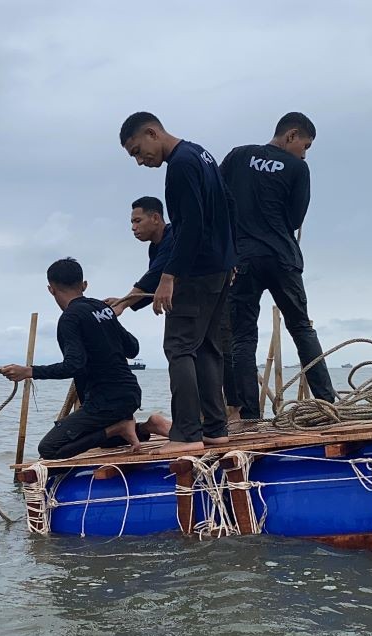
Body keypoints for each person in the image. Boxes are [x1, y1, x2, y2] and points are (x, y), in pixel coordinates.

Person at [119, 112, 237, 451]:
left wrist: (169, 276)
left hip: (196, 271)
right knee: (208, 348)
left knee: (179, 348)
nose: (141, 160)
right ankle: (215, 429)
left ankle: (186, 434)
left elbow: (190, 226)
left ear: (152, 133)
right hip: (218, 266)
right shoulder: (201, 154)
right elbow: (227, 205)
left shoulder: (181, 165)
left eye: (138, 150)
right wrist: (231, 257)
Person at [220, 112, 337, 421]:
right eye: (306, 144)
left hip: (242, 258)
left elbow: (218, 200)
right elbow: (295, 220)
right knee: (301, 327)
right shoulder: (298, 168)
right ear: (291, 135)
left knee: (243, 337)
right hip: (281, 256)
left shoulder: (238, 155)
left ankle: (248, 415)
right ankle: (327, 402)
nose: (305, 152)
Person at [1, 258, 170, 460]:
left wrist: (29, 371)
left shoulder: (70, 318)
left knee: (49, 449)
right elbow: (133, 348)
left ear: (51, 289)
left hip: (104, 402)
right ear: (84, 285)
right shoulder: (103, 310)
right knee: (100, 439)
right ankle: (146, 427)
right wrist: (109, 322)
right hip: (130, 395)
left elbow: (73, 365)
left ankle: (120, 428)